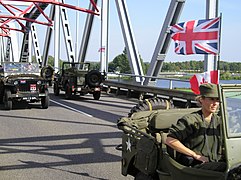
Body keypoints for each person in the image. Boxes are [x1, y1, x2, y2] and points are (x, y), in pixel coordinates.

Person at [165, 83, 226, 172]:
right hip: (196, 165)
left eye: (217, 100)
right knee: (226, 169)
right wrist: (194, 155)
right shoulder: (191, 120)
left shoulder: (219, 121)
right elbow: (170, 140)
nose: (215, 103)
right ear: (201, 99)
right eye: (211, 99)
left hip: (216, 161)